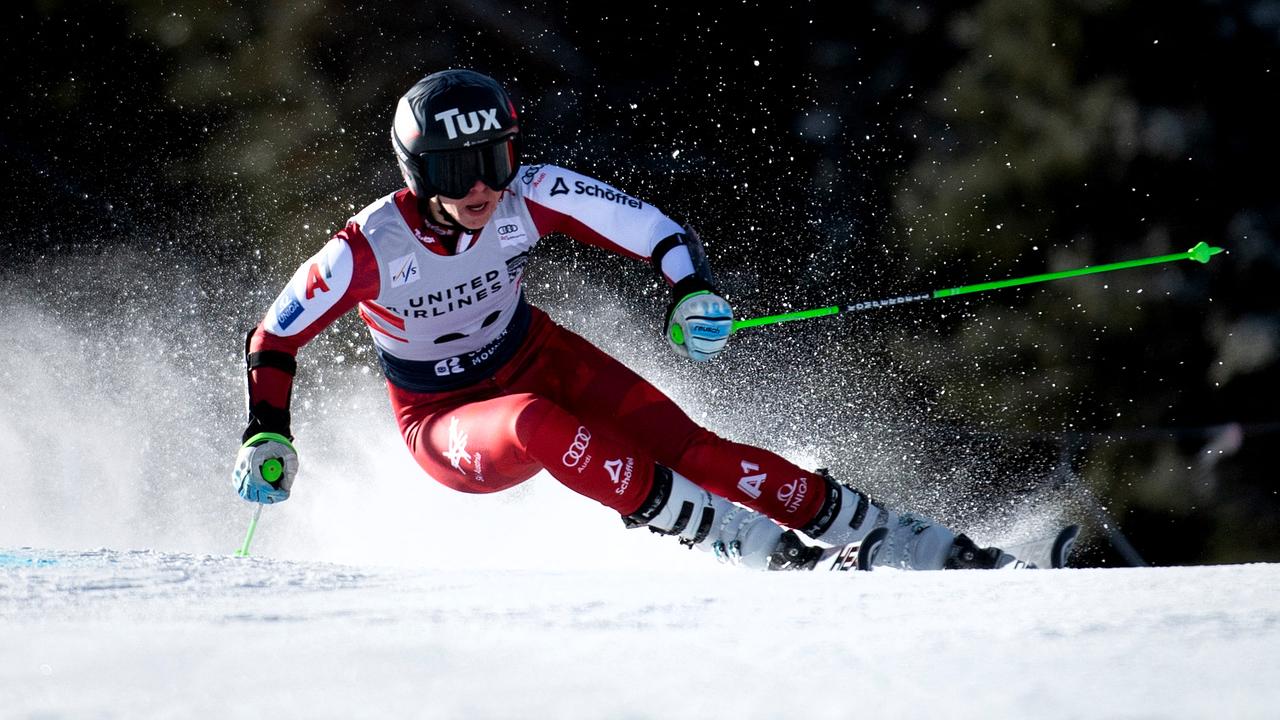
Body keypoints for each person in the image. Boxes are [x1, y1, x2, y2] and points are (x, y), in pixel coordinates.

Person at [231, 68, 1016, 571]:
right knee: (537, 421)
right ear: (418, 174)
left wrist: (690, 292)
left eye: (494, 161)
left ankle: (893, 533)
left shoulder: (527, 193)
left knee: (694, 448)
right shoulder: (370, 244)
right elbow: (275, 337)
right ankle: (727, 538)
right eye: (455, 170)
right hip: (444, 417)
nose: (481, 187)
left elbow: (655, 230)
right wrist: (267, 431)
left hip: (537, 352)